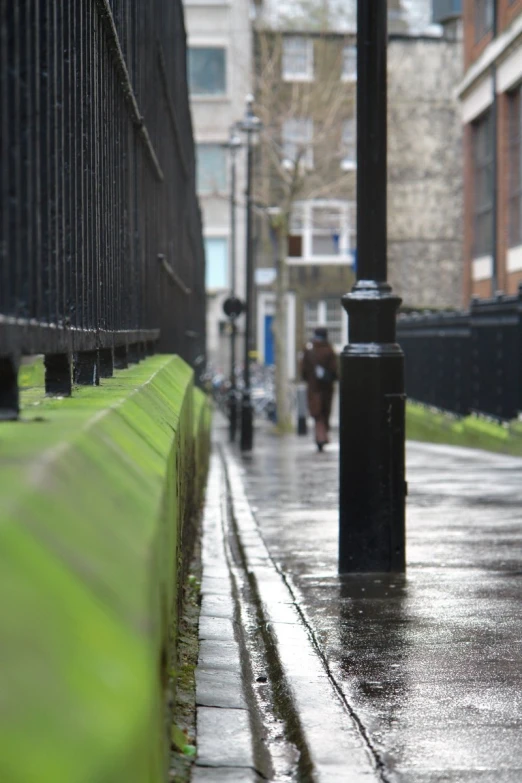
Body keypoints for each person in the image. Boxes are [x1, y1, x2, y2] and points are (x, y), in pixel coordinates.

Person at [301, 327, 338, 451]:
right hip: (326, 388)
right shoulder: (329, 350)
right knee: (325, 413)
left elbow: (303, 371)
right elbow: (335, 371)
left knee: (317, 414)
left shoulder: (309, 350)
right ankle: (322, 436)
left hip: (313, 388)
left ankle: (320, 437)